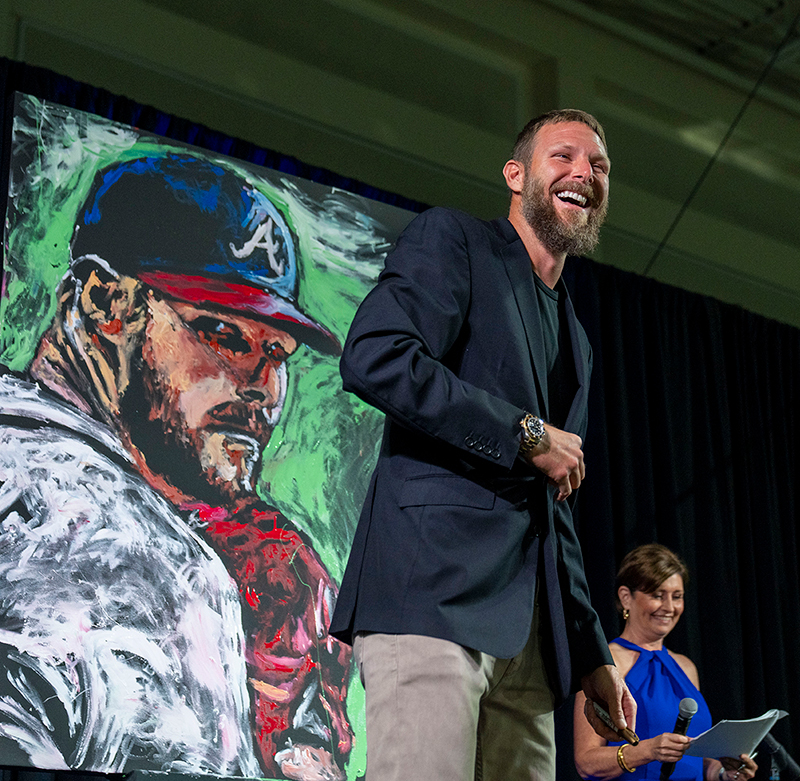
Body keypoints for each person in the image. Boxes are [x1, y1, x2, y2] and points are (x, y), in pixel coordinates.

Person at [0, 154, 352, 781]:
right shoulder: (119, 549)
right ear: (106, 302)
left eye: (277, 354)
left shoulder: (244, 556)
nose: (265, 391)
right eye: (225, 335)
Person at [328, 109, 636, 780]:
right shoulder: (456, 240)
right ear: (516, 173)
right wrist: (527, 434)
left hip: (528, 645)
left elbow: (556, 507)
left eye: (600, 166)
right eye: (564, 157)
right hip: (432, 603)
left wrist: (592, 655)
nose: (585, 172)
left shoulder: (577, 341)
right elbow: (376, 356)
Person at [573, 544, 758, 781]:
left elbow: (695, 760)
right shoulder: (605, 662)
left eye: (677, 597)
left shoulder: (686, 667)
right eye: (657, 595)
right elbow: (586, 762)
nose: (669, 607)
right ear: (626, 597)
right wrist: (647, 751)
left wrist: (724, 773)